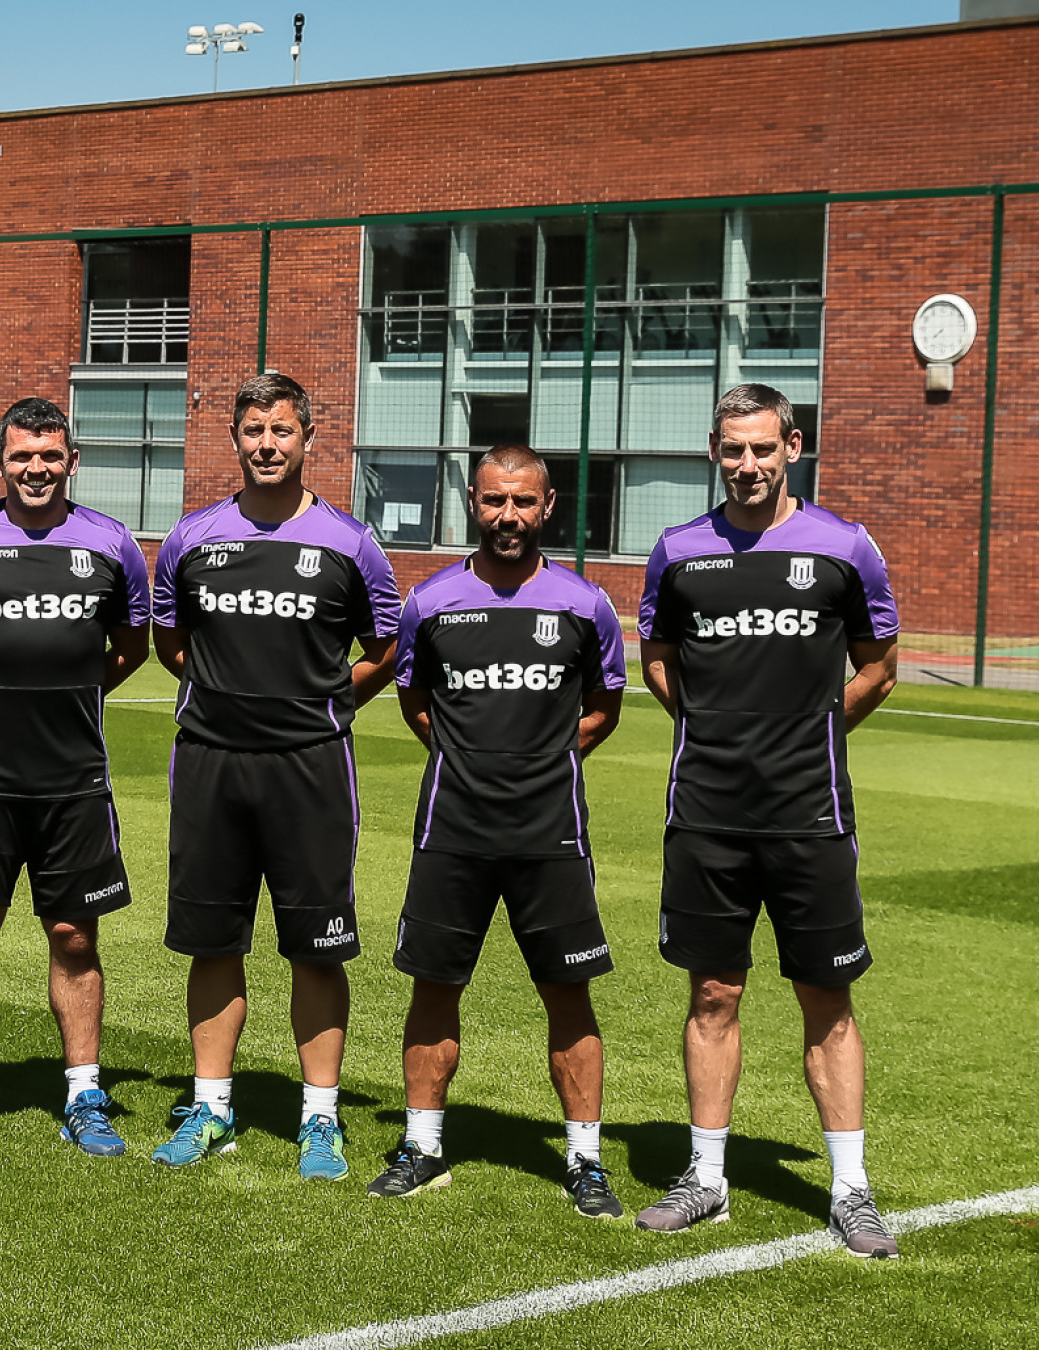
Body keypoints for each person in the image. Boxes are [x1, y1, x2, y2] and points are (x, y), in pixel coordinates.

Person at [633, 383, 901, 1257]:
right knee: (712, 992)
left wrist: (811, 734)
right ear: (715, 451)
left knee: (826, 997)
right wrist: (713, 733)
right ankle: (706, 1176)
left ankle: (852, 1192)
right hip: (706, 814)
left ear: (793, 445)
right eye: (731, 450)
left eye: (763, 448)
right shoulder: (677, 551)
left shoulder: (845, 547)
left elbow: (878, 667)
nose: (747, 465)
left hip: (809, 815)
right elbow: (658, 662)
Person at [148, 372, 399, 1182]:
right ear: (234, 439)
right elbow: (171, 641)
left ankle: (319, 1118)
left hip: (310, 766)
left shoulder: (351, 542)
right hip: (211, 762)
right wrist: (225, 699)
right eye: (253, 430)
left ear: (308, 439)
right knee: (212, 942)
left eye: (281, 430)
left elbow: (388, 647)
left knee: (316, 949)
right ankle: (212, 1105)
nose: (267, 444)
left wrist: (326, 703)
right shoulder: (192, 537)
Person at [366, 445, 628, 1218]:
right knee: (434, 986)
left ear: (548, 508)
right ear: (471, 504)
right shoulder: (432, 602)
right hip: (453, 831)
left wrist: (539, 761)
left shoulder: (584, 605)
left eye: (522, 503)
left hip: (552, 836)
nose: (506, 517)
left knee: (568, 993)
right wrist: (472, 762)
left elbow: (604, 709)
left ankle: (583, 1161)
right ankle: (421, 1147)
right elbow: (416, 702)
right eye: (492, 502)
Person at [0, 397, 151, 1158]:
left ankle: (84, 1094)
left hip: (75, 781)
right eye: (22, 457)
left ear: (70, 461)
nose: (36, 469)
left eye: (50, 456)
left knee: (76, 936)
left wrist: (72, 694)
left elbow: (133, 644)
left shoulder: (112, 545)